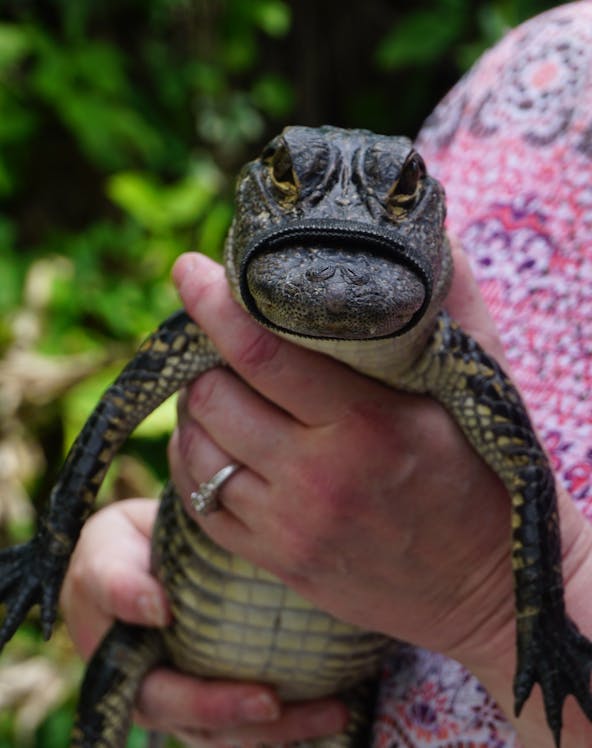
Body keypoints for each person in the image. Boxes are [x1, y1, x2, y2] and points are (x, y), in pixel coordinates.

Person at [60, 3, 592, 746]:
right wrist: (87, 547)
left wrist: (493, 608)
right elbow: (128, 411)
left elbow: (523, 473)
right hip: (276, 659)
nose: (344, 211)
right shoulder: (531, 66)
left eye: (399, 192)